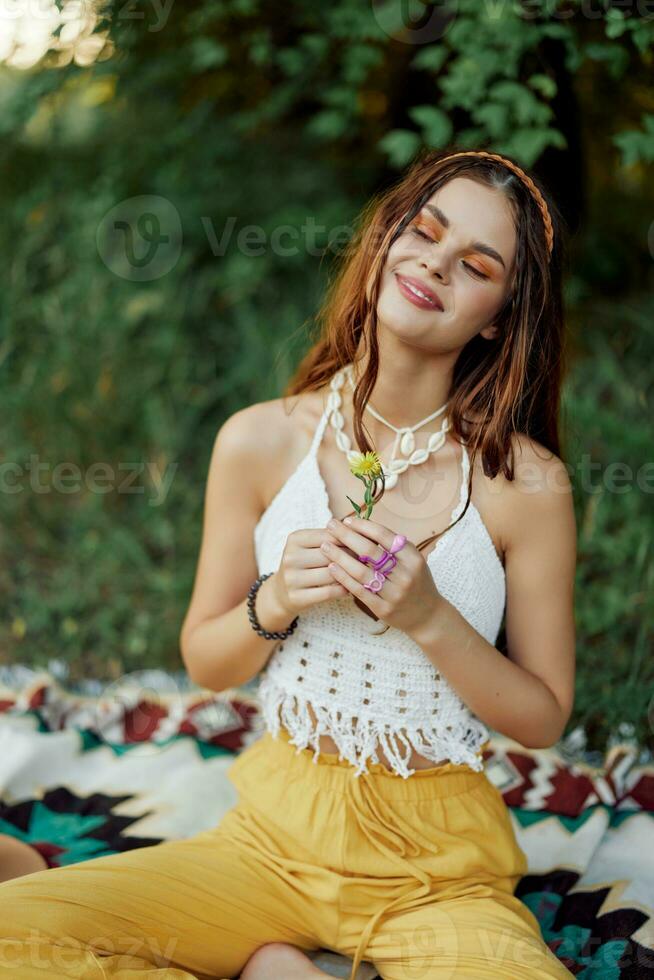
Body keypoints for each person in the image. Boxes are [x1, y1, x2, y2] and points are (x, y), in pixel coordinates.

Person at [0, 147, 576, 980]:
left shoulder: (527, 485)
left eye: (476, 266)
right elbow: (206, 660)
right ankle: (275, 966)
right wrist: (273, 602)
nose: (435, 265)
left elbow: (544, 715)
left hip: (436, 872)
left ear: (497, 317)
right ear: (385, 244)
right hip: (270, 843)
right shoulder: (261, 439)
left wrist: (430, 619)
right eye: (423, 232)